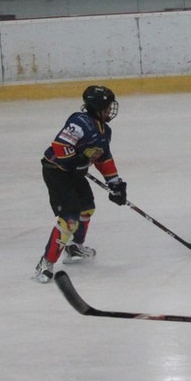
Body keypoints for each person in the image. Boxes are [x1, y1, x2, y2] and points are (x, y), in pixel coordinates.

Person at [33, 85, 128, 283]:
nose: (110, 110)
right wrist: (76, 162)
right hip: (57, 172)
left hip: (73, 174)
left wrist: (115, 183)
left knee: (87, 208)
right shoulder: (80, 122)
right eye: (107, 106)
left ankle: (74, 247)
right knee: (69, 219)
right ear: (98, 107)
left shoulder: (105, 131)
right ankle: (45, 263)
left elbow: (103, 159)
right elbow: (61, 145)